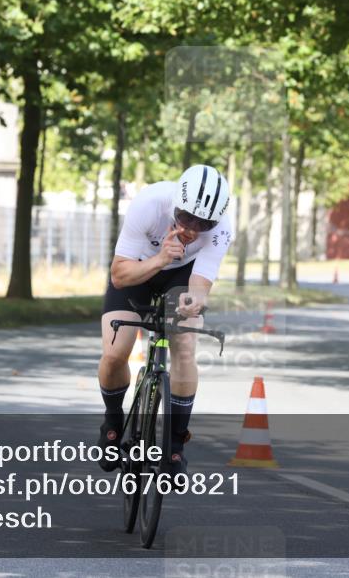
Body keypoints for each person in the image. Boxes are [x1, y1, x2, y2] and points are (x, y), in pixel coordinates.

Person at [97, 164, 233, 477]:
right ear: (175, 204)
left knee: (184, 345)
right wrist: (160, 259)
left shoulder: (223, 227)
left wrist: (193, 303)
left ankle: (175, 445)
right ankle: (113, 422)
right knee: (116, 351)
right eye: (186, 217)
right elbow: (119, 276)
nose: (193, 228)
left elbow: (200, 284)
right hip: (139, 270)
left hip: (182, 276)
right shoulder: (150, 203)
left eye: (204, 223)